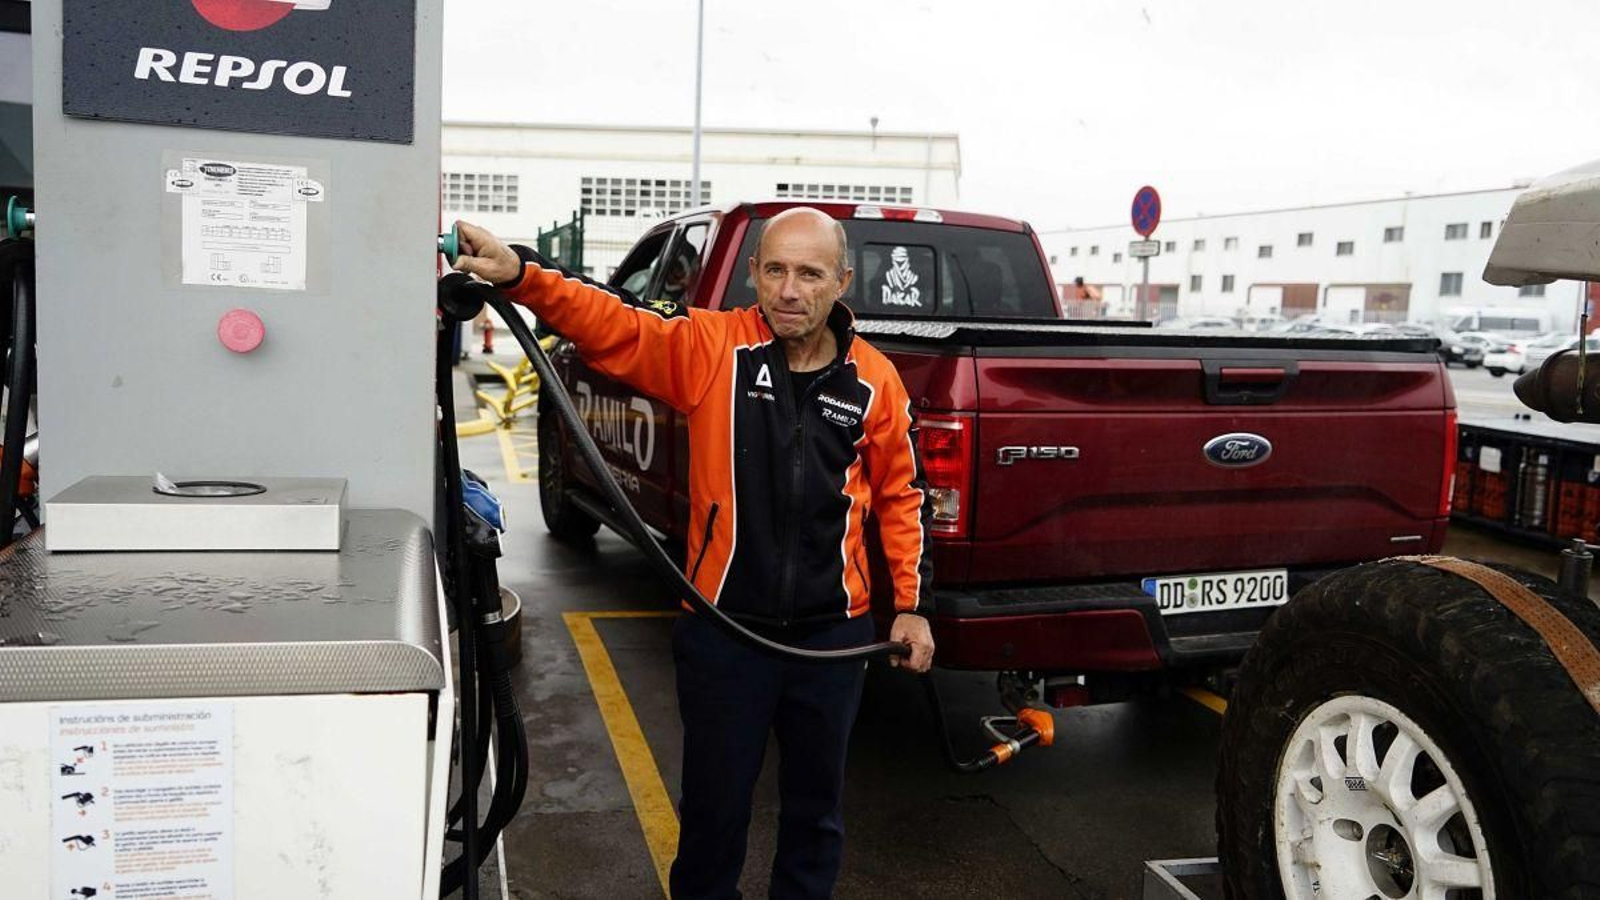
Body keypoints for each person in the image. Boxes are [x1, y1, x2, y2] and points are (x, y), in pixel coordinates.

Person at [450, 208, 935, 899]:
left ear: (842, 282)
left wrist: (911, 606)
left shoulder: (875, 381)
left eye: (809, 273)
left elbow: (901, 496)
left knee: (815, 816)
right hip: (725, 635)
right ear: (753, 273)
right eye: (774, 269)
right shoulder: (713, 348)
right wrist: (524, 275)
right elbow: (613, 322)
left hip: (832, 642)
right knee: (713, 815)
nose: (788, 290)